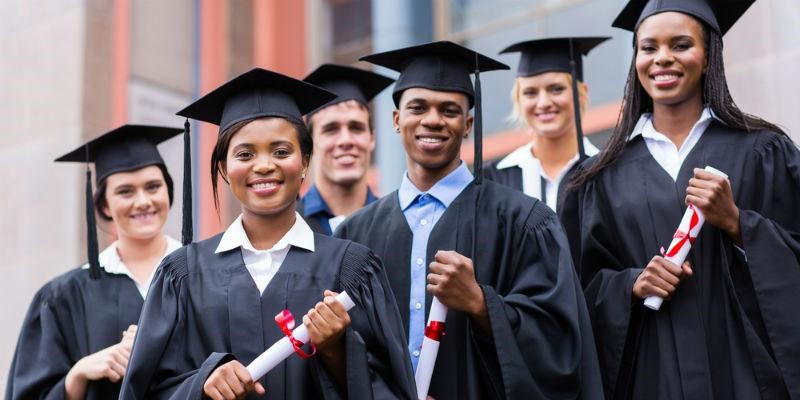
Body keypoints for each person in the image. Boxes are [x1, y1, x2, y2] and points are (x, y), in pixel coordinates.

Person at [119, 68, 415, 400]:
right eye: (245, 154)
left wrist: (336, 351)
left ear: (304, 162)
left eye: (281, 152)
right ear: (223, 169)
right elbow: (145, 392)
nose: (263, 165)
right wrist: (201, 383)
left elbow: (394, 389)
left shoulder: (352, 269)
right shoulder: (182, 276)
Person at [336, 41, 603, 400]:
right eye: (418, 108)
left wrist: (480, 303)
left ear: (468, 124)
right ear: (397, 120)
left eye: (449, 110)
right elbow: (353, 348)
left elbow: (559, 344)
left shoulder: (525, 221)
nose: (432, 119)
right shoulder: (356, 233)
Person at [564, 0, 800, 398]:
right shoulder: (599, 177)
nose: (662, 59)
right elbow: (577, 288)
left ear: (708, 56)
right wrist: (631, 286)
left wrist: (740, 226)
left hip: (747, 377)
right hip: (651, 380)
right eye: (649, 47)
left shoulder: (764, 152)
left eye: (680, 45)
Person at [6, 125, 185, 399]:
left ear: (168, 191)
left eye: (153, 187)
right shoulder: (64, 297)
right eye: (125, 192)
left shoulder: (202, 274)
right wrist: (78, 373)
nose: (143, 201)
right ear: (103, 205)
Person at [484, 37, 608, 213]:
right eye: (530, 93)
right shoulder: (494, 180)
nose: (543, 103)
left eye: (556, 89)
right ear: (518, 99)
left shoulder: (606, 172)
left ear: (581, 93)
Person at [298, 64, 393, 234]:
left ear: (372, 138)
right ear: (310, 144)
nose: (346, 140)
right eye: (331, 129)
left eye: (356, 127)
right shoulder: (289, 227)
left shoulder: (395, 223)